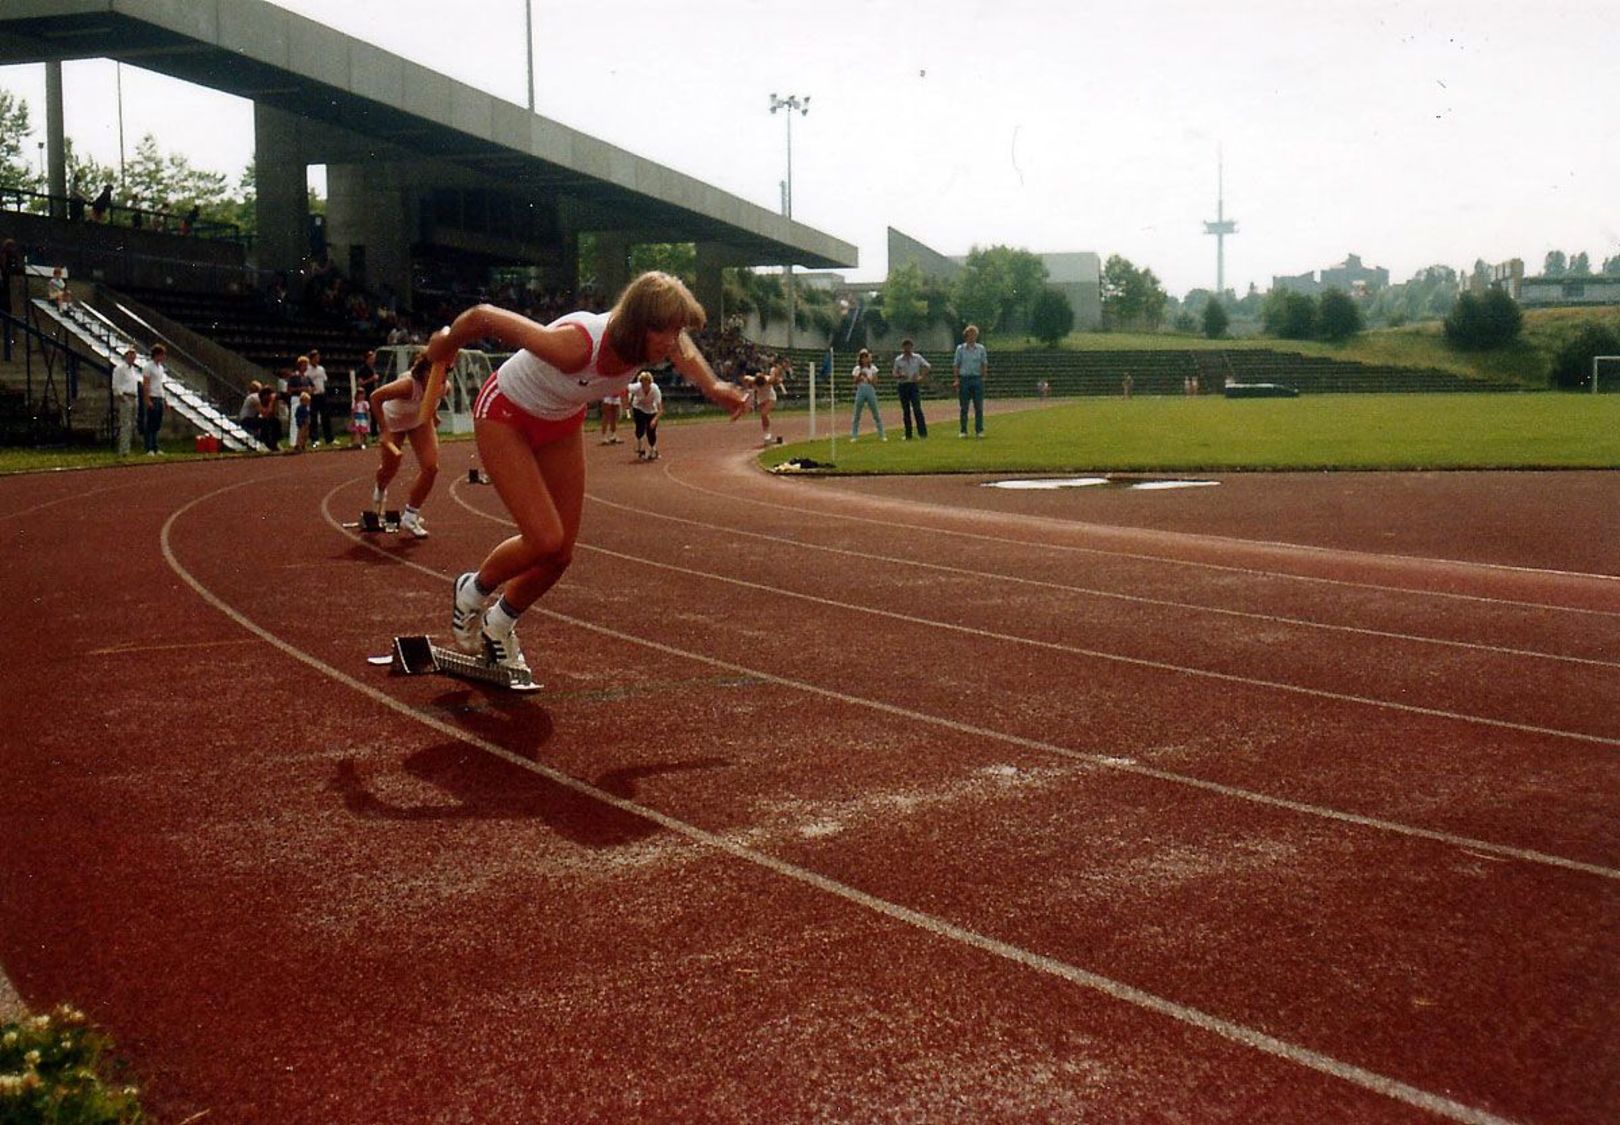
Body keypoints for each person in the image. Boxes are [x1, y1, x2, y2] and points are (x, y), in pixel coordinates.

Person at [426, 270, 747, 674]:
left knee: (559, 555)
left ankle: (500, 624)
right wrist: (448, 345)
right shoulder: (575, 346)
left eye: (676, 331)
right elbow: (482, 316)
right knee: (544, 537)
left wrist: (714, 388)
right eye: (666, 331)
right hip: (505, 412)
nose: (673, 342)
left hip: (560, 420)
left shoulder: (652, 344)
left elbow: (682, 349)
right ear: (639, 325)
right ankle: (471, 591)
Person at [370, 355, 447, 539]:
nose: (439, 379)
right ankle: (380, 488)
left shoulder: (443, 387)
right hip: (395, 421)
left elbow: (433, 399)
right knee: (391, 466)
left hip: (419, 421)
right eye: (434, 373)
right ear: (424, 372)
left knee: (431, 467)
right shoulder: (407, 385)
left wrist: (433, 415)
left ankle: (410, 515)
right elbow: (375, 397)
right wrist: (384, 430)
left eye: (443, 375)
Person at [953, 324, 988, 438]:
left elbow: (984, 363)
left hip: (977, 378)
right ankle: (963, 430)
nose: (972, 337)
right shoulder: (960, 349)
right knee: (964, 407)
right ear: (966, 336)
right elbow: (956, 364)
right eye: (970, 334)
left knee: (978, 406)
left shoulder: (981, 348)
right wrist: (956, 378)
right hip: (964, 379)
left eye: (974, 334)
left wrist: (983, 377)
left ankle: (979, 430)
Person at [892, 338, 931, 439]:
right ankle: (908, 434)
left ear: (911, 347)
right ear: (903, 347)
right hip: (903, 385)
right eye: (905, 346)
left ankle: (922, 433)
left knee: (917, 409)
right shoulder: (898, 359)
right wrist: (900, 375)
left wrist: (920, 377)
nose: (907, 348)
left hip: (913, 385)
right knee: (906, 411)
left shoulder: (917, 358)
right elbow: (894, 373)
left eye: (909, 346)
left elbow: (927, 366)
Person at [850, 347, 885, 442]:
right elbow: (854, 382)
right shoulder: (857, 368)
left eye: (866, 357)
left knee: (876, 413)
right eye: (862, 357)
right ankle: (854, 435)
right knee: (857, 413)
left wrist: (868, 378)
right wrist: (859, 376)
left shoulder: (873, 368)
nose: (864, 359)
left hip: (870, 390)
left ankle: (882, 434)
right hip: (861, 389)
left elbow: (875, 383)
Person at [112, 347, 142, 456]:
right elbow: (116, 384)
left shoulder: (133, 370)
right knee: (125, 424)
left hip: (133, 397)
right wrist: (120, 396)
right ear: (126, 356)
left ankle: (127, 448)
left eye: (134, 355)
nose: (132, 357)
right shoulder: (119, 368)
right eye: (130, 355)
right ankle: (123, 450)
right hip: (125, 396)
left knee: (131, 424)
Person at [628, 370, 663, 460]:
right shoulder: (636, 387)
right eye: (643, 383)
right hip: (638, 407)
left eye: (646, 383)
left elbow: (660, 409)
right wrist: (627, 407)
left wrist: (654, 420)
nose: (644, 386)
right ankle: (640, 446)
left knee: (651, 430)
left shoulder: (655, 390)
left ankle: (652, 448)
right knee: (640, 428)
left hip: (651, 410)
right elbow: (624, 389)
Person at [140, 344, 169, 455]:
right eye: (162, 354)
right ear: (157, 355)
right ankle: (149, 448)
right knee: (150, 424)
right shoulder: (148, 367)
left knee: (157, 424)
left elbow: (161, 384)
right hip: (152, 396)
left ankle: (155, 447)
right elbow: (146, 384)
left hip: (159, 395)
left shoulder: (161, 368)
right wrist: (147, 399)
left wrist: (165, 400)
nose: (163, 357)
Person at [744, 364, 781, 446]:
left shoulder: (768, 380)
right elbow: (745, 378)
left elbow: (774, 378)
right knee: (764, 416)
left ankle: (767, 434)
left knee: (764, 413)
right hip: (761, 399)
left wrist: (774, 372)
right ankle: (768, 434)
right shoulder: (753, 380)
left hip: (771, 398)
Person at [306, 348, 333, 446]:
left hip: (322, 394)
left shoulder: (321, 369)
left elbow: (324, 380)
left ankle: (329, 438)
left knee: (326, 416)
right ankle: (314, 438)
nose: (318, 359)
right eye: (316, 357)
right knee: (313, 417)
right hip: (313, 395)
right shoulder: (307, 370)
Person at [353, 349, 381, 439]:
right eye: (371, 358)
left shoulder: (373, 368)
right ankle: (363, 433)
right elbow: (360, 383)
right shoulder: (362, 369)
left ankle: (374, 433)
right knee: (365, 413)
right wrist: (371, 379)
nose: (373, 359)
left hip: (373, 392)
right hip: (365, 394)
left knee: (374, 413)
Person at [238, 379, 263, 444]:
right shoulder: (254, 396)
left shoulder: (250, 396)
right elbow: (261, 410)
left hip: (246, 419)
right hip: (247, 420)